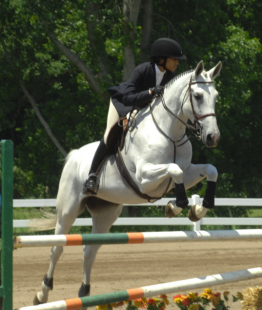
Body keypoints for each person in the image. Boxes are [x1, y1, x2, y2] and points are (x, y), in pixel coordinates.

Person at [83, 38, 187, 195]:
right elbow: (128, 98)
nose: (177, 63)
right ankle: (92, 176)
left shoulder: (170, 76)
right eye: (174, 59)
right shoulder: (143, 70)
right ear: (161, 59)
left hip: (144, 108)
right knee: (110, 133)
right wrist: (151, 92)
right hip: (123, 104)